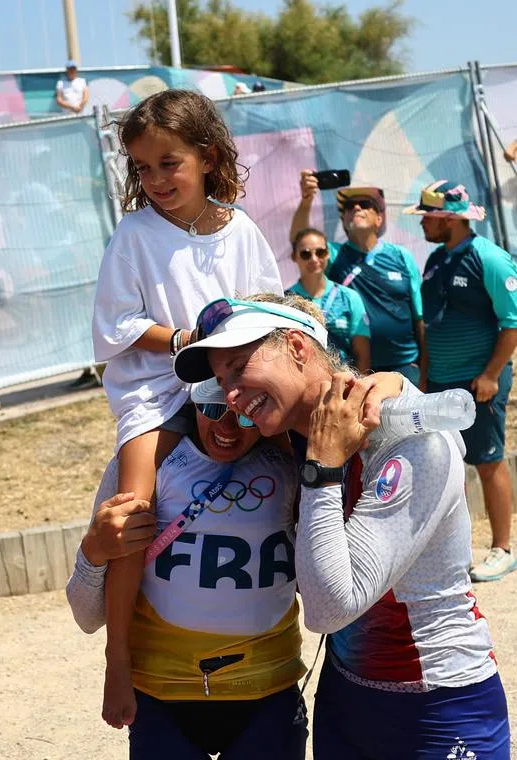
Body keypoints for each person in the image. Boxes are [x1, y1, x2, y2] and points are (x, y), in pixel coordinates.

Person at [174, 293, 509, 759]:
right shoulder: (285, 431)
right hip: (344, 698)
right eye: (220, 378)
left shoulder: (411, 441)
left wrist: (324, 467)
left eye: (237, 366)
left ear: (296, 347)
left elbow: (330, 610)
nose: (230, 395)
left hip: (439, 702)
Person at [91, 89, 283, 730]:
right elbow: (115, 325)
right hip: (156, 391)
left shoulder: (244, 230)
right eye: (142, 169)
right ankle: (118, 659)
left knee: (315, 469)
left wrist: (234, 365)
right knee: (132, 513)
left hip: (236, 382)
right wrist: (181, 342)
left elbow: (270, 310)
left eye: (167, 163)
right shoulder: (134, 233)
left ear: (206, 157)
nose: (155, 180)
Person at [66, 380, 306, 757]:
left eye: (244, 417)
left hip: (268, 690)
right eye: (212, 408)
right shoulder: (148, 463)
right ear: (191, 396)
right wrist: (93, 551)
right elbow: (85, 614)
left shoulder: (292, 460)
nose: (226, 428)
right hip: (162, 693)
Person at [408, 181, 517, 582]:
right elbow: (432, 325)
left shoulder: (490, 259)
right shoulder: (436, 259)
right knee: (442, 464)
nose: (422, 223)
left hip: (479, 383)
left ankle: (502, 549)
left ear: (449, 218)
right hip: (438, 382)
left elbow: (512, 324)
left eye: (428, 216)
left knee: (488, 462)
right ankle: (447, 549)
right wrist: (423, 378)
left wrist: (490, 375)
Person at [290, 174, 426, 385]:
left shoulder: (401, 256)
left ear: (379, 218)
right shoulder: (332, 254)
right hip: (360, 370)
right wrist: (307, 200)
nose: (355, 208)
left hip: (405, 366)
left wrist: (424, 369)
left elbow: (419, 317)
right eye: (349, 207)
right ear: (343, 220)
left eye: (365, 204)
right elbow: (300, 239)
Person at [285, 227, 370, 372]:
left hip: (345, 384)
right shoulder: (286, 300)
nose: (314, 259)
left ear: (328, 254)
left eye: (320, 252)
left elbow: (363, 356)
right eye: (305, 254)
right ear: (294, 256)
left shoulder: (350, 297)